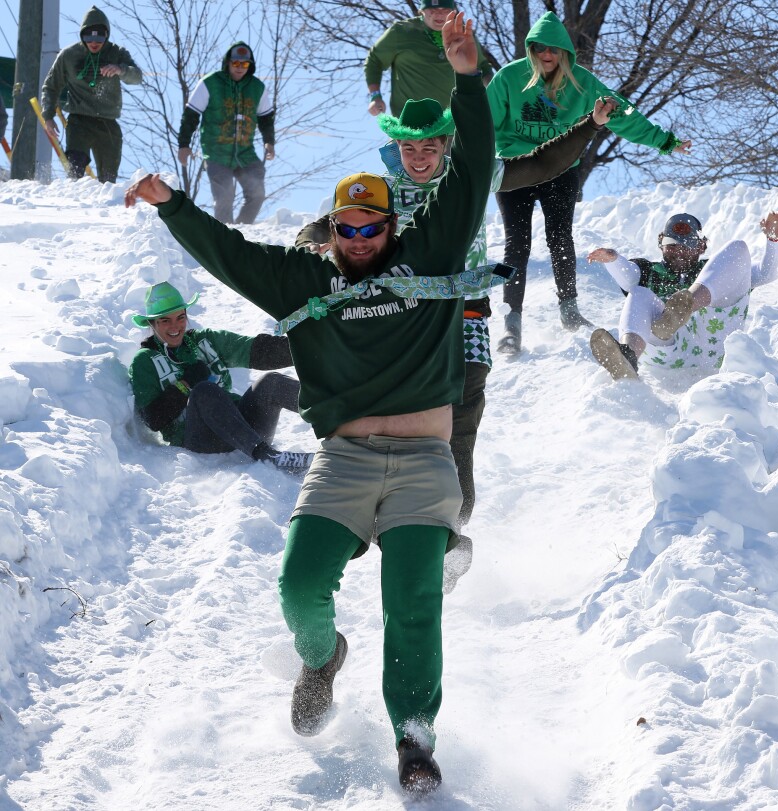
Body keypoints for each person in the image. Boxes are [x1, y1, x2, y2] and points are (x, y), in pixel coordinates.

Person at [125, 12, 496, 794]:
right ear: (330, 232)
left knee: (414, 604)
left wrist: (466, 80)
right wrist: (172, 203)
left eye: (371, 224)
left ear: (393, 226)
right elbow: (231, 255)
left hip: (425, 462)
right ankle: (324, 657)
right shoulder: (306, 281)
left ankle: (413, 734)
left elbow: (471, 172)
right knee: (299, 583)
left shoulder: (429, 253)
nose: (358, 235)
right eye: (345, 226)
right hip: (345, 459)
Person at [295, 94, 617, 592]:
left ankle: (453, 529)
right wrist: (309, 243)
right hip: (402, 323)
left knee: (460, 421)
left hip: (464, 314)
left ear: (446, 144)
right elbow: (328, 222)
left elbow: (540, 164)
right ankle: (392, 523)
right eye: (409, 149)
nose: (420, 158)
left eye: (429, 147)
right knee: (404, 423)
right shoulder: (382, 188)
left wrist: (589, 126)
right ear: (397, 147)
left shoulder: (471, 175)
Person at [487, 11, 692, 351]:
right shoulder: (510, 77)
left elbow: (623, 115)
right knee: (516, 243)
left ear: (565, 52)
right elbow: (481, 120)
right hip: (516, 166)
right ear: (531, 51)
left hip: (560, 170)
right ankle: (512, 320)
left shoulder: (584, 83)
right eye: (539, 49)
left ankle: (569, 310)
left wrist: (664, 141)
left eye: (554, 50)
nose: (546, 55)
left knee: (559, 237)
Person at [587, 210, 778, 379]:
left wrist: (774, 240)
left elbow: (767, 273)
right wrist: (613, 260)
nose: (680, 251)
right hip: (666, 351)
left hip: (713, 345)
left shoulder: (716, 272)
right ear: (661, 244)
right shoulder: (648, 271)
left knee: (738, 248)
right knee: (638, 293)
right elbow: (628, 277)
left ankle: (686, 304)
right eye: (672, 245)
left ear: (702, 246)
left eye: (689, 245)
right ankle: (628, 357)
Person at [129, 281, 310, 469]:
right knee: (203, 390)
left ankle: (338, 416)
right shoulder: (144, 361)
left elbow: (258, 351)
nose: (175, 326)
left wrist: (313, 348)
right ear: (152, 323)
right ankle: (269, 457)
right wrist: (185, 384)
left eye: (180, 317)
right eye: (165, 320)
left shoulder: (204, 340)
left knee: (271, 382)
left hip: (244, 430)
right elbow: (152, 419)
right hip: (201, 441)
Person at [40, 5, 142, 183]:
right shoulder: (69, 56)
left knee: (109, 179)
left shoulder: (116, 53)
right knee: (75, 169)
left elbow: (137, 77)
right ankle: (73, 200)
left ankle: (104, 207)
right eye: (88, 37)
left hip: (108, 123)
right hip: (79, 120)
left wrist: (120, 69)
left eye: (100, 38)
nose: (94, 43)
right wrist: (48, 116)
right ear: (82, 35)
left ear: (106, 36)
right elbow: (50, 86)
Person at [177, 42, 275, 225]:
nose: (239, 68)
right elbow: (190, 115)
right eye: (236, 63)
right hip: (216, 153)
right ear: (228, 63)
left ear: (250, 65)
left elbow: (266, 118)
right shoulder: (210, 83)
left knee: (257, 194)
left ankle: (242, 234)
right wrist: (184, 144)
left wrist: (269, 141)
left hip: (245, 153)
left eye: (244, 64)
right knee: (225, 197)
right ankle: (225, 237)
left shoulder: (257, 88)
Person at [365, 0, 493, 117]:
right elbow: (374, 60)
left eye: (445, 10)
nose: (439, 15)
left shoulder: (462, 34)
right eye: (433, 10)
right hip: (410, 126)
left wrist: (495, 95)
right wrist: (375, 96)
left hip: (455, 125)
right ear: (422, 10)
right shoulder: (401, 31)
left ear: (453, 12)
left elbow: (482, 67)